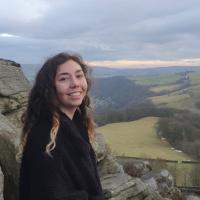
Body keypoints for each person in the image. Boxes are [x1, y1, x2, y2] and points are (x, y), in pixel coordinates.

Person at [18, 52, 105, 200]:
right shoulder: (45, 135)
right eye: (64, 78)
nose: (75, 83)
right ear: (50, 88)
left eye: (79, 75)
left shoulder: (76, 122)